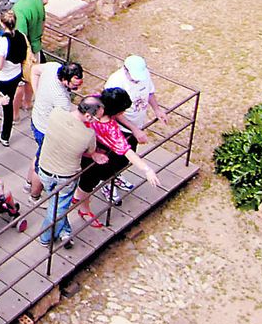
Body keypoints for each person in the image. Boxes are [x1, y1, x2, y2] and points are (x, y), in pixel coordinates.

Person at [70, 88, 163, 229]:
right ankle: (84, 209)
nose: (123, 114)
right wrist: (147, 169)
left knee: (85, 182)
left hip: (82, 148)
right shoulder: (110, 128)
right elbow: (127, 151)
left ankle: (79, 197)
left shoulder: (94, 101)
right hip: (93, 155)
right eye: (122, 111)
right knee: (87, 184)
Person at [35, 96, 103, 249]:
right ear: (87, 116)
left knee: (57, 204)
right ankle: (45, 237)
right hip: (66, 176)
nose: (96, 122)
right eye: (96, 119)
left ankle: (65, 231)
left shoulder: (56, 113)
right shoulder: (88, 135)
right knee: (57, 208)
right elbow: (90, 151)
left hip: (44, 169)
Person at [27, 60, 84, 200]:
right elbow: (66, 121)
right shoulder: (61, 99)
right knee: (41, 165)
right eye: (74, 85)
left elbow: (34, 70)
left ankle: (29, 182)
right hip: (46, 130)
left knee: (39, 153)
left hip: (37, 119)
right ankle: (34, 196)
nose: (77, 87)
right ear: (65, 80)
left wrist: (37, 93)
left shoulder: (53, 67)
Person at [0, 8, 28, 145]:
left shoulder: (2, 42)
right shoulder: (21, 36)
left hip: (2, 78)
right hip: (16, 74)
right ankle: (5, 135)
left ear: (1, 22)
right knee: (9, 104)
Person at [105, 54, 166, 136]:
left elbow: (149, 92)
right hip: (121, 128)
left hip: (137, 124)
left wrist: (157, 110)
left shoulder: (145, 74)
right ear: (125, 70)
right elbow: (113, 111)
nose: (137, 81)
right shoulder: (115, 83)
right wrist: (134, 129)